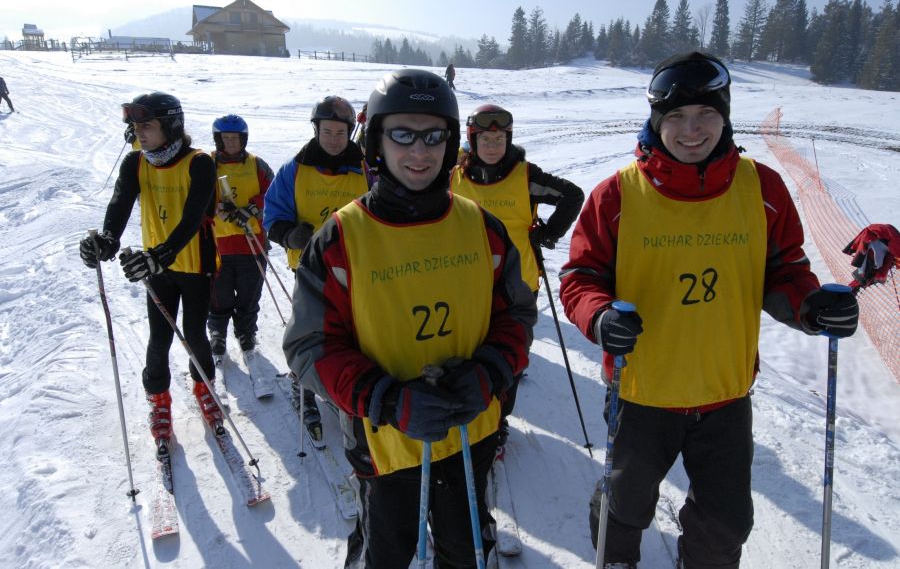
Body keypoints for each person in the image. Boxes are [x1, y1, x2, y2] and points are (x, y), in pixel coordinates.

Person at [560, 51, 860, 569]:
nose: (690, 129)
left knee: (727, 520)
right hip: (642, 392)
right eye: (675, 117)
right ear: (656, 121)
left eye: (705, 114)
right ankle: (616, 562)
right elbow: (580, 279)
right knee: (625, 508)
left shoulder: (761, 187)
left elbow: (784, 272)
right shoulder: (617, 195)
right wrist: (600, 314)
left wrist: (811, 308)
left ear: (725, 116)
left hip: (724, 393)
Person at [282, 68, 537, 568]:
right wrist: (386, 398)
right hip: (384, 443)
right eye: (402, 134)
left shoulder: (481, 227)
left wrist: (489, 371)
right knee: (386, 552)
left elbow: (518, 316)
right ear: (376, 141)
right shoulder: (340, 238)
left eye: (433, 136)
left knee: (465, 551)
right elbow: (309, 346)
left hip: (473, 430)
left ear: (449, 141)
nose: (419, 151)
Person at [79, 92, 221, 459]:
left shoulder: (200, 163)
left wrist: (161, 254)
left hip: (194, 264)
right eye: (135, 126)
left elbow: (194, 217)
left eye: (147, 125)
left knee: (193, 334)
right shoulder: (135, 164)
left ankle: (205, 390)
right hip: (157, 268)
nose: (139, 133)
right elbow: (119, 205)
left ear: (171, 125)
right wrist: (106, 241)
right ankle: (159, 401)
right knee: (159, 339)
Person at [451, 103, 584, 443]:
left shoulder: (525, 176)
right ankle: (468, 412)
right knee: (467, 353)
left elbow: (572, 195)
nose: (494, 145)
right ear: (473, 140)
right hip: (467, 283)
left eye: (500, 139)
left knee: (507, 360)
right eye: (486, 139)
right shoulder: (454, 177)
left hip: (518, 285)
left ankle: (497, 424)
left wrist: (549, 233)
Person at [263, 95, 368, 442]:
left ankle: (343, 386)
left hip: (358, 270)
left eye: (341, 132)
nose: (334, 139)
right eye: (328, 131)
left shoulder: (365, 169)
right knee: (309, 332)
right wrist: (289, 234)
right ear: (316, 130)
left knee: (352, 334)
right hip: (309, 270)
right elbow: (272, 215)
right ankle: (303, 384)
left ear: (350, 132)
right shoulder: (295, 169)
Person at [208, 114, 274, 365]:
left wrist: (253, 208)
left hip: (251, 242)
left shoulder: (256, 164)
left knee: (249, 294)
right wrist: (215, 207)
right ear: (218, 140)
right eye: (226, 138)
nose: (231, 143)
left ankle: (246, 333)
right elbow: (195, 194)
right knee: (219, 294)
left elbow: (274, 191)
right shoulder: (207, 163)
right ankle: (217, 332)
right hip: (218, 244)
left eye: (235, 138)